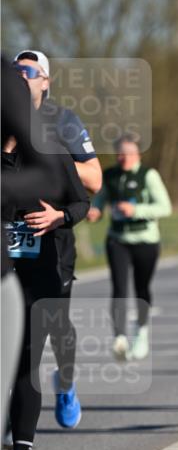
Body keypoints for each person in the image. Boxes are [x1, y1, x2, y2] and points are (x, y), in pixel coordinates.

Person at [2, 73, 90, 450]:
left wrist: (58, 217)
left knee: (25, 365)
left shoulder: (50, 155)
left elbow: (82, 201)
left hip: (41, 275)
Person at [13, 50, 102, 430]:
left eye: (30, 72)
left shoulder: (63, 121)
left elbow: (95, 180)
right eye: (15, 72)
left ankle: (65, 381)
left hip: (55, 238)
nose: (22, 77)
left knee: (57, 323)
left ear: (45, 81)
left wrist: (52, 162)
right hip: (12, 239)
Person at [87, 133, 172, 360]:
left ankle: (141, 333)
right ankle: (120, 338)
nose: (123, 158)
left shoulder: (148, 175)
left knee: (141, 288)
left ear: (138, 154)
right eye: (120, 154)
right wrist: (95, 210)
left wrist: (136, 211)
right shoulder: (111, 175)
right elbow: (100, 199)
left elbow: (165, 207)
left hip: (146, 240)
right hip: (117, 240)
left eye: (128, 153)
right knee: (119, 288)